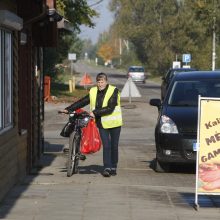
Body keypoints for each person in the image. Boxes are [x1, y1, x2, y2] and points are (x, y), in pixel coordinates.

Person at [61, 72, 123, 177]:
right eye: (98, 82)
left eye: (102, 81)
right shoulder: (93, 91)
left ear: (106, 81)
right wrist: (68, 109)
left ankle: (114, 166)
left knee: (114, 146)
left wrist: (94, 113)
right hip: (102, 123)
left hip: (115, 123)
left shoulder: (114, 90)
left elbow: (110, 108)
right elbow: (82, 102)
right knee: (106, 146)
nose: (100, 84)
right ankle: (107, 167)